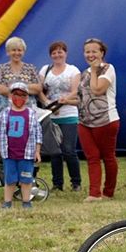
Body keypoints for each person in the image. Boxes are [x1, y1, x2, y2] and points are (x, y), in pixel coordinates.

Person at [76, 37, 119, 202]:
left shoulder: (108, 68)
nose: (90, 55)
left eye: (94, 51)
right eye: (87, 51)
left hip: (106, 120)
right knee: (92, 156)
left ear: (102, 53)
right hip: (84, 121)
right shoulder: (84, 73)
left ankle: (108, 191)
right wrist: (64, 100)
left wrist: (94, 71)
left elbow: (97, 89)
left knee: (108, 156)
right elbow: (81, 97)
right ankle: (94, 193)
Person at [38, 41, 81, 192]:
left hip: (69, 113)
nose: (57, 55)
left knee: (69, 149)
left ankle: (76, 182)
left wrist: (63, 101)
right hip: (51, 115)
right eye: (54, 52)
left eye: (60, 52)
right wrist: (48, 104)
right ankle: (57, 183)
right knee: (54, 151)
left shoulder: (73, 70)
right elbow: (39, 90)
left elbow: (75, 91)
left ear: (65, 53)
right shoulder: (45, 70)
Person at [0, 82, 42, 209]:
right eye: (16, 94)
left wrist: (37, 151)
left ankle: (26, 202)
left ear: (27, 97)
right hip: (9, 154)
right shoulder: (4, 114)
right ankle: (7, 202)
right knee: (10, 179)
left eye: (22, 95)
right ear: (10, 96)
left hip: (27, 154)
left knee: (26, 179)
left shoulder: (31, 114)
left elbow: (38, 134)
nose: (19, 98)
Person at [0, 37, 41, 114]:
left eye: (19, 50)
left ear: (23, 52)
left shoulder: (31, 68)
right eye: (13, 50)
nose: (17, 53)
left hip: (28, 111)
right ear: (8, 52)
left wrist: (12, 87)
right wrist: (26, 88)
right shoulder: (1, 68)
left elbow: (38, 88)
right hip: (6, 111)